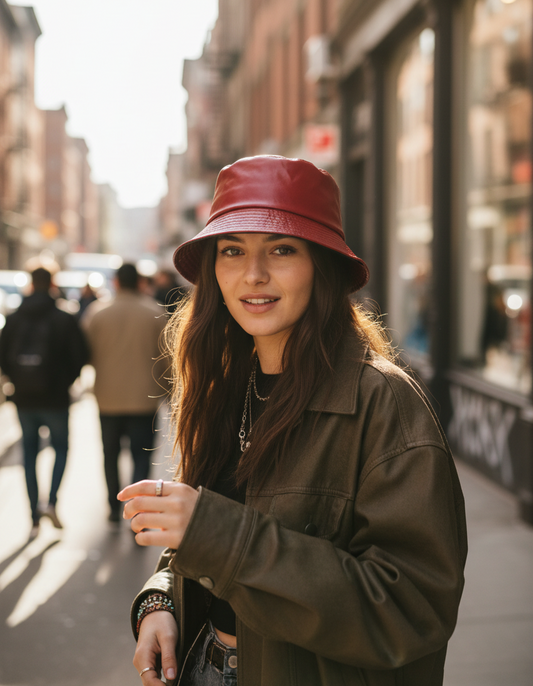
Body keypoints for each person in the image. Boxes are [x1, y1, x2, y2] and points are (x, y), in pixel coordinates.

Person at [118, 156, 467, 686]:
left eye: (282, 249)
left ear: (321, 265)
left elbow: (412, 610)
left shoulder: (383, 402)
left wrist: (215, 532)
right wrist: (161, 600)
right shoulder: (226, 385)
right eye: (232, 251)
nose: (253, 274)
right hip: (204, 664)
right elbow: (199, 541)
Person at [0, 266, 89, 535]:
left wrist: (15, 380)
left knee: (29, 452)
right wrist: (66, 382)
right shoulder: (64, 317)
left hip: (24, 399)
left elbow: (2, 355)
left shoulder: (14, 318)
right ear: (51, 283)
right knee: (60, 448)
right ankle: (51, 502)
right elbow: (81, 355)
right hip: (56, 398)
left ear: (30, 283)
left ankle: (33, 516)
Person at [83, 262, 167, 522]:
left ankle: (112, 508)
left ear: (116, 282)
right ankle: (138, 511)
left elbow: (86, 354)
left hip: (108, 397)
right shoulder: (154, 312)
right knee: (142, 458)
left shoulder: (97, 313)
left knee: (110, 455)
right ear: (140, 283)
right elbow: (167, 358)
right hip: (145, 398)